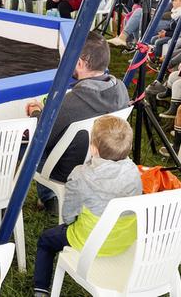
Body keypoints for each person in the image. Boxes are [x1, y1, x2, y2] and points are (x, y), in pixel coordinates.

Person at [33, 116, 142, 296]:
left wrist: (72, 221)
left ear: (93, 148)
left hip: (88, 242)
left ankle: (40, 289)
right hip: (124, 241)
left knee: (46, 240)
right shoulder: (134, 171)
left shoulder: (80, 175)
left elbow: (68, 215)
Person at [26, 32, 130, 212]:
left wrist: (36, 112)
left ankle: (41, 198)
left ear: (80, 63)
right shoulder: (120, 89)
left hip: (66, 170)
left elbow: (40, 137)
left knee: (24, 148)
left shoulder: (70, 103)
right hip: (101, 161)